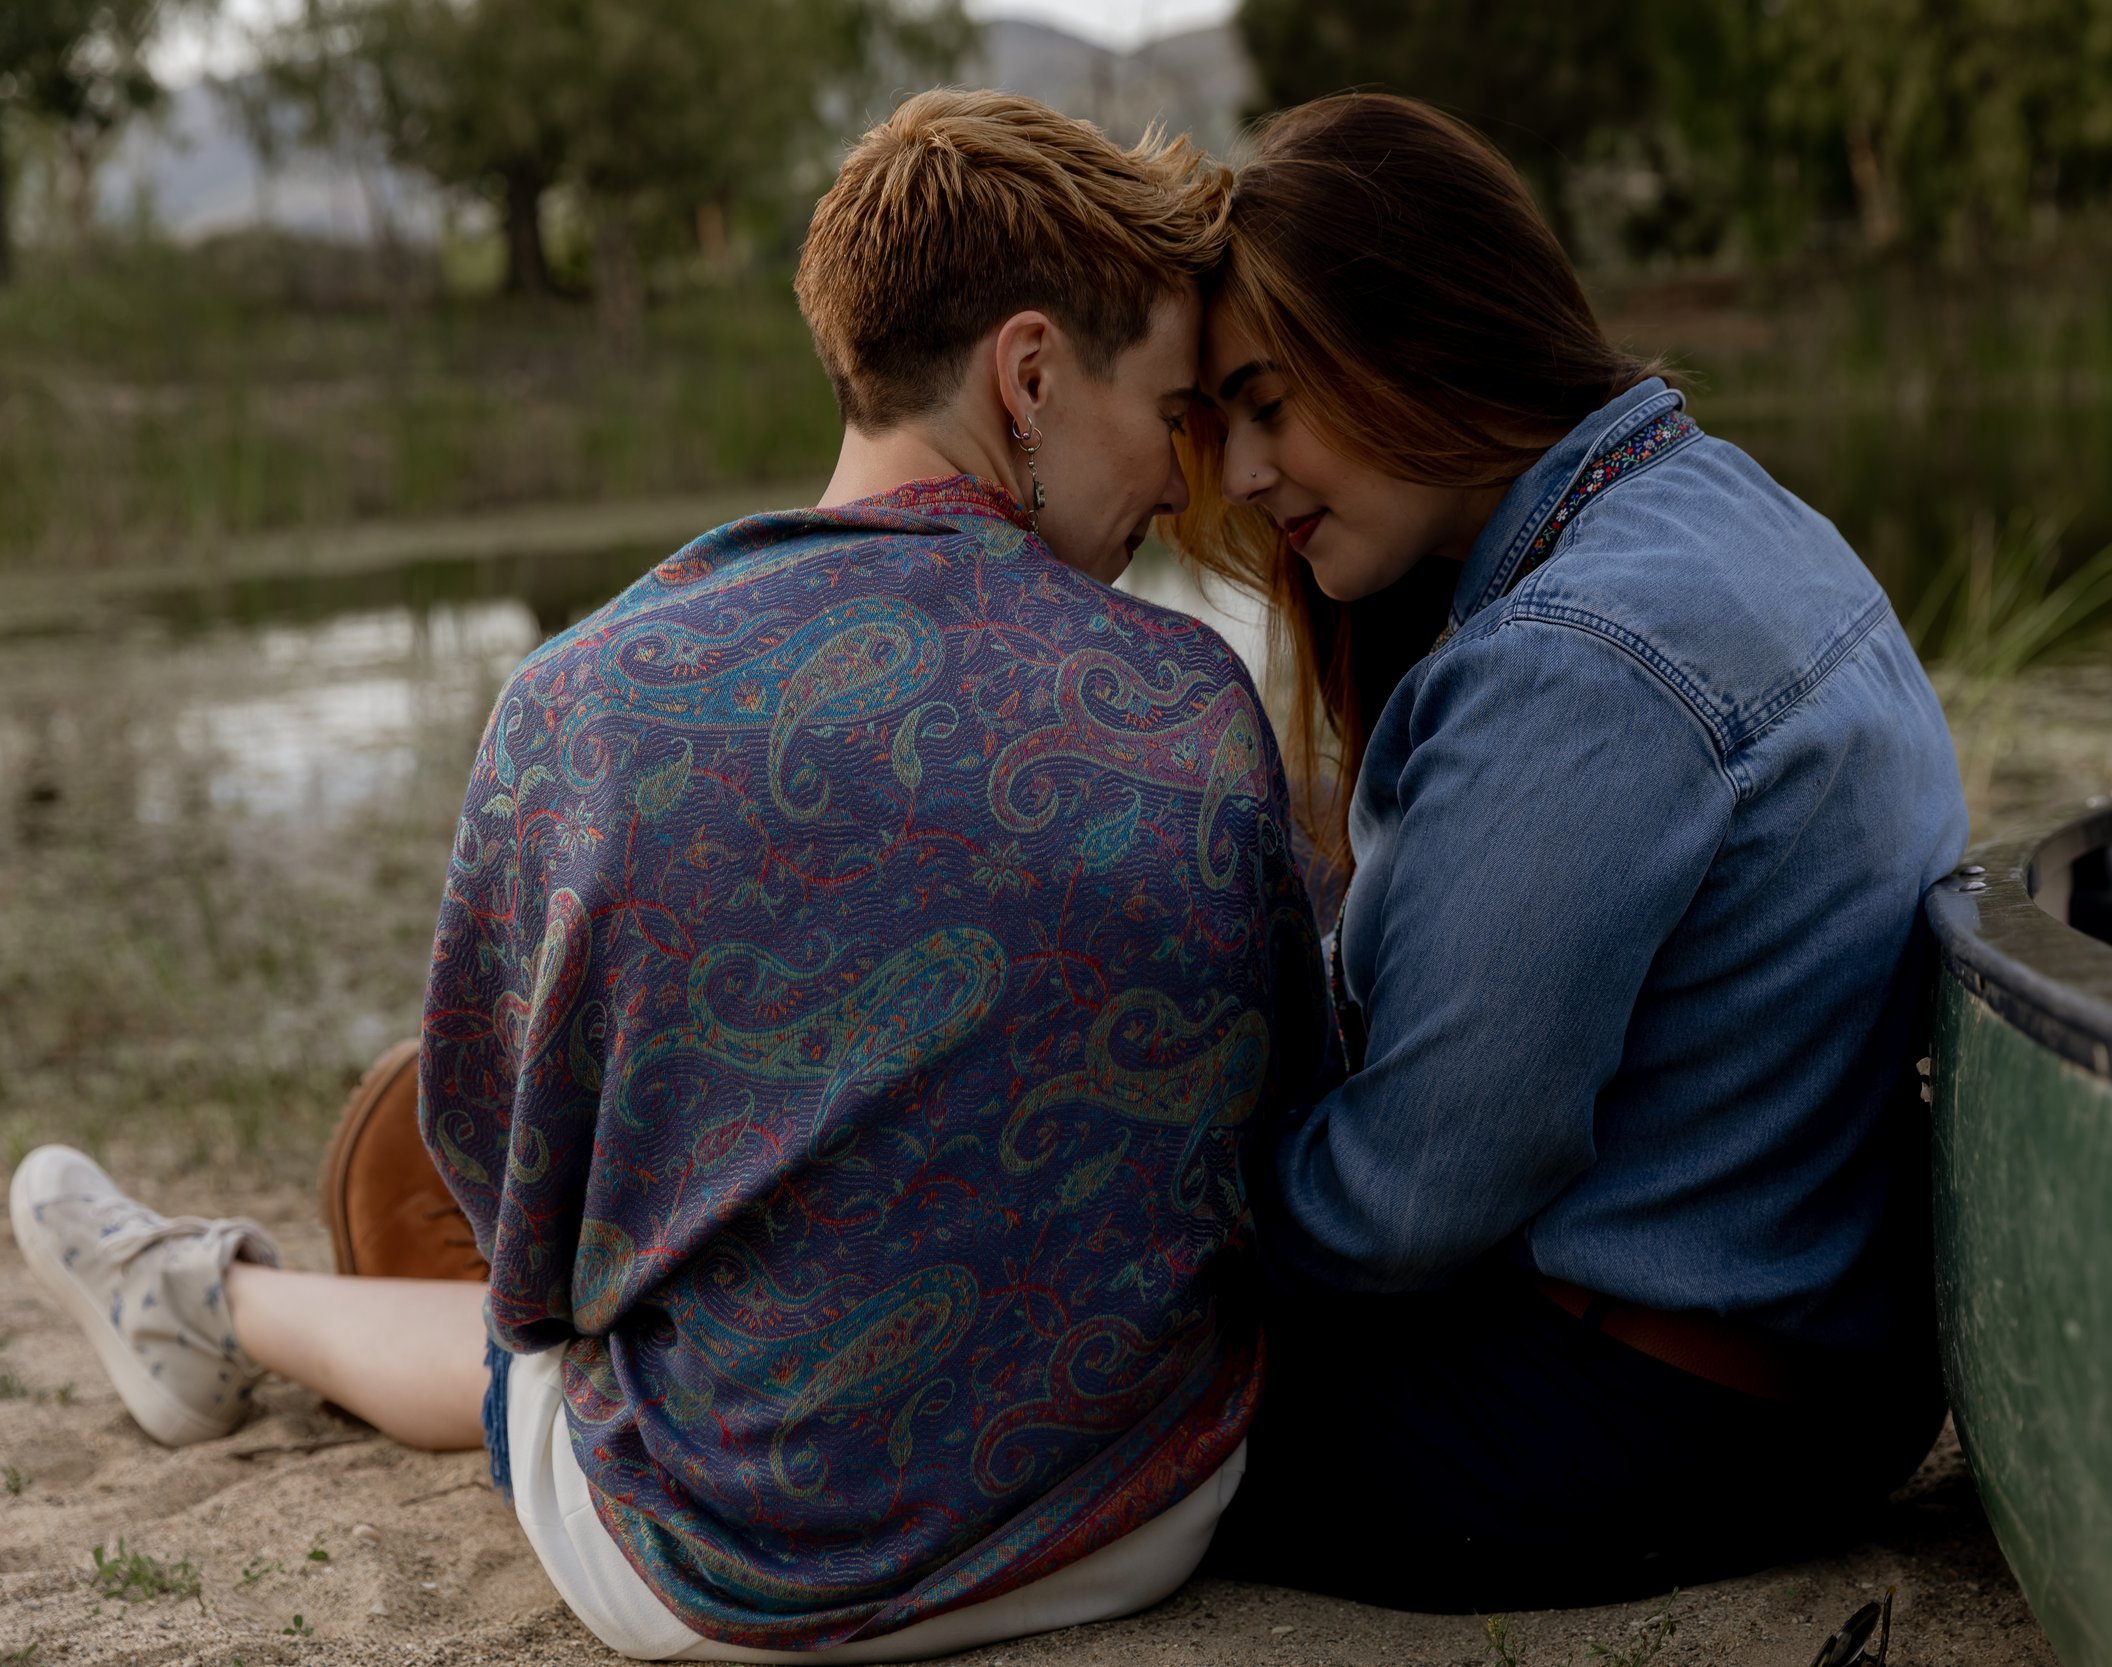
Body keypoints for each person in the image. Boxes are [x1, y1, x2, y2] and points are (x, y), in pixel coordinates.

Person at [9, 88, 1331, 1662]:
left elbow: (522, 1241)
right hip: (1137, 1518)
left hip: (716, 1580)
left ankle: (208, 1303)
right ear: (1030, 374)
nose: (1186, 477)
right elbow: (1278, 1128)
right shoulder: (1185, 697)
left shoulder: (576, 704)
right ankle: (198, 1300)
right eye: (1172, 412)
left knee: (577, 1348)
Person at [1166, 93, 1970, 1612]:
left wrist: (1193, 1222)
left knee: (1048, 1440)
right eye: (1219, 425)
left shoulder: (1578, 661)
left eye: (1271, 404)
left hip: (1630, 1422)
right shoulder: (1731, 509)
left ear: (1421, 332)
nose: (1252, 475)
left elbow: (1417, 1194)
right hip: (1819, 1372)